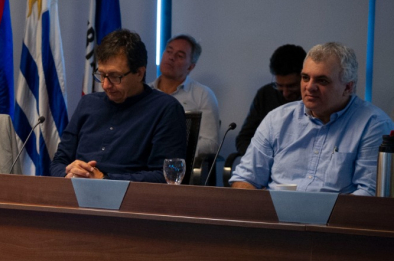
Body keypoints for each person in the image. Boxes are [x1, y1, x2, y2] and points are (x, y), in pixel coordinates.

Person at [230, 42, 393, 196]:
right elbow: (244, 178)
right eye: (305, 78)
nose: (309, 87)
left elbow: (370, 193)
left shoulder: (373, 125)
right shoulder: (277, 119)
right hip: (276, 219)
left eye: (322, 81)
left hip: (335, 222)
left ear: (348, 87)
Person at [51, 29, 187, 182]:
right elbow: (59, 162)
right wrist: (68, 174)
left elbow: (165, 176)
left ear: (140, 74)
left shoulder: (166, 109)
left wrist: (105, 180)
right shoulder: (87, 103)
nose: (105, 85)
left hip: (132, 202)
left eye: (115, 77)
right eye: (102, 75)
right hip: (76, 194)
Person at [150, 34, 220, 157]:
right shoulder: (146, 92)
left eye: (180, 56)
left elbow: (210, 143)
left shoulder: (203, 95)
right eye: (169, 51)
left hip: (180, 165)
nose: (171, 57)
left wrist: (173, 150)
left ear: (190, 67)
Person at [235, 44, 307, 155]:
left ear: (305, 78)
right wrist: (256, 158)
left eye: (291, 86)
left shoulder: (314, 99)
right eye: (279, 86)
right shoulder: (265, 94)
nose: (285, 93)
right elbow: (244, 138)